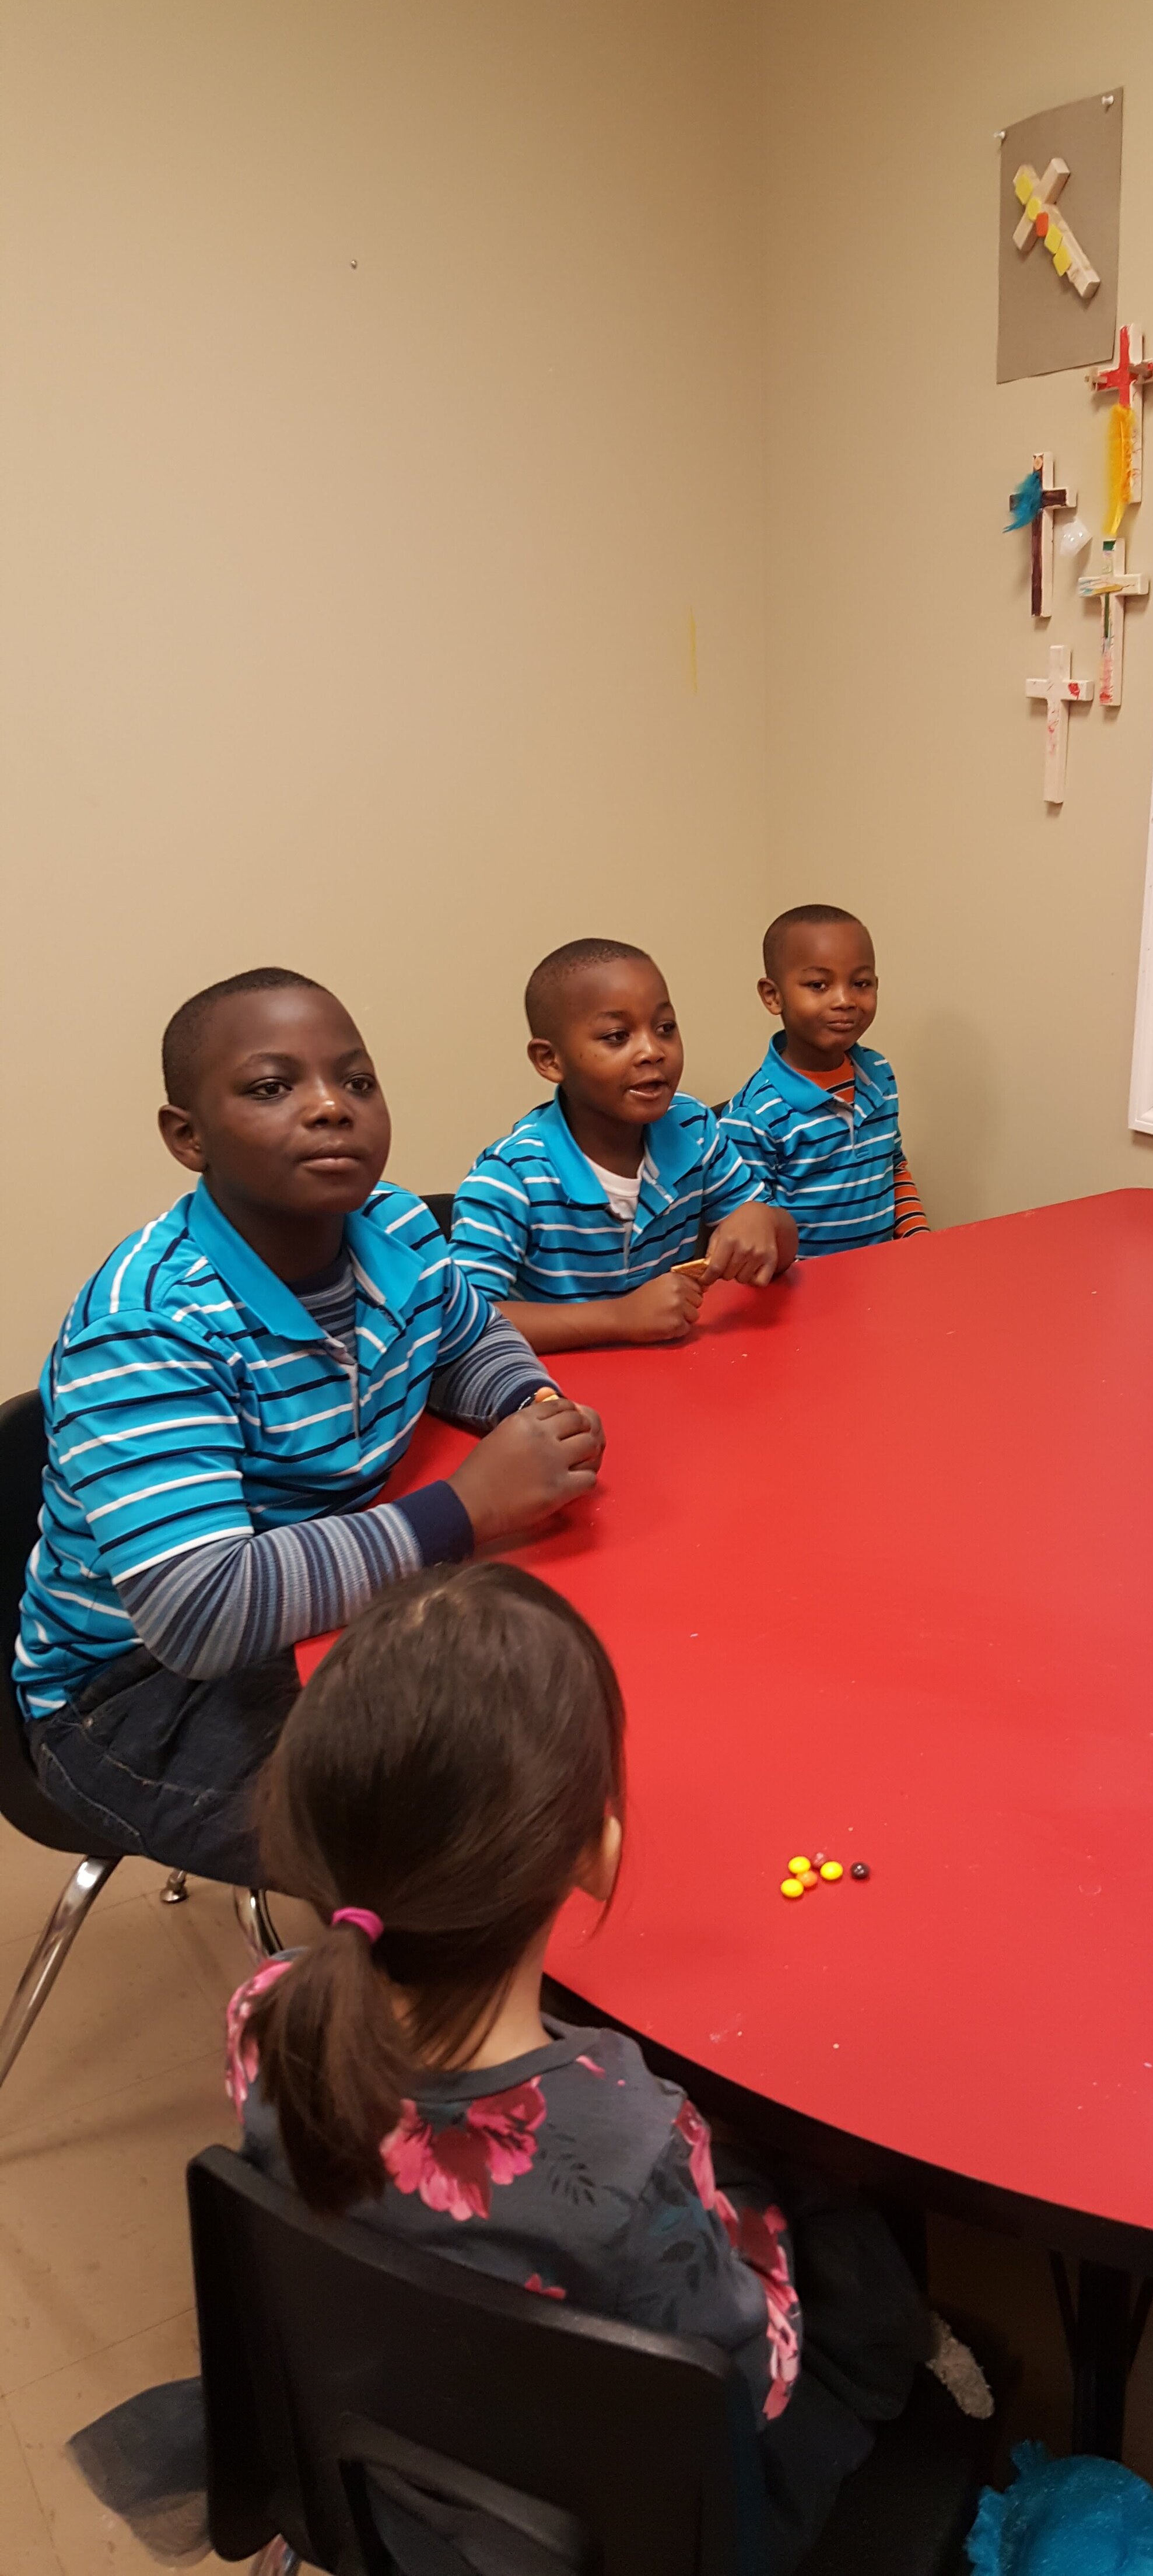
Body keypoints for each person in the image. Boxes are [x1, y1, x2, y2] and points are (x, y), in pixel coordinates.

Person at [228, 1559, 948, 2568]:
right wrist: (765, 2207)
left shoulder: (266, 2008)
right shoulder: (630, 2140)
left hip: (380, 2463)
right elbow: (750, 2382)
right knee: (849, 2250)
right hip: (623, 2536)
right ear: (594, 1847)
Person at [15, 967, 603, 1884]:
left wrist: (530, 1406)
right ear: (187, 1137)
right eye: (271, 1086)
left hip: (314, 1608)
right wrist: (470, 1507)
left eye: (357, 1081)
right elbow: (200, 1611)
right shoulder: (149, 1325)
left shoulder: (396, 1226)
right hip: (140, 1694)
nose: (331, 1107)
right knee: (473, 1839)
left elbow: (465, 1333)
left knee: (556, 1689)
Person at [451, 938, 797, 1351]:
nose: (652, 1051)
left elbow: (784, 1248)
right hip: (560, 1400)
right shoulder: (511, 1177)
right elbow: (463, 1323)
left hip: (674, 1376)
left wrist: (764, 1220)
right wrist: (618, 1318)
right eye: (617, 1036)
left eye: (665, 1028)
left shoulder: (695, 1127)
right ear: (550, 1060)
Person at [720, 905, 930, 1259]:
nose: (845, 1001)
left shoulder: (880, 1075)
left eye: (860, 984)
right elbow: (750, 1231)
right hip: (805, 1295)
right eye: (819, 985)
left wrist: (919, 1239)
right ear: (773, 996)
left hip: (883, 1277)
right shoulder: (754, 1115)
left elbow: (894, 1166)